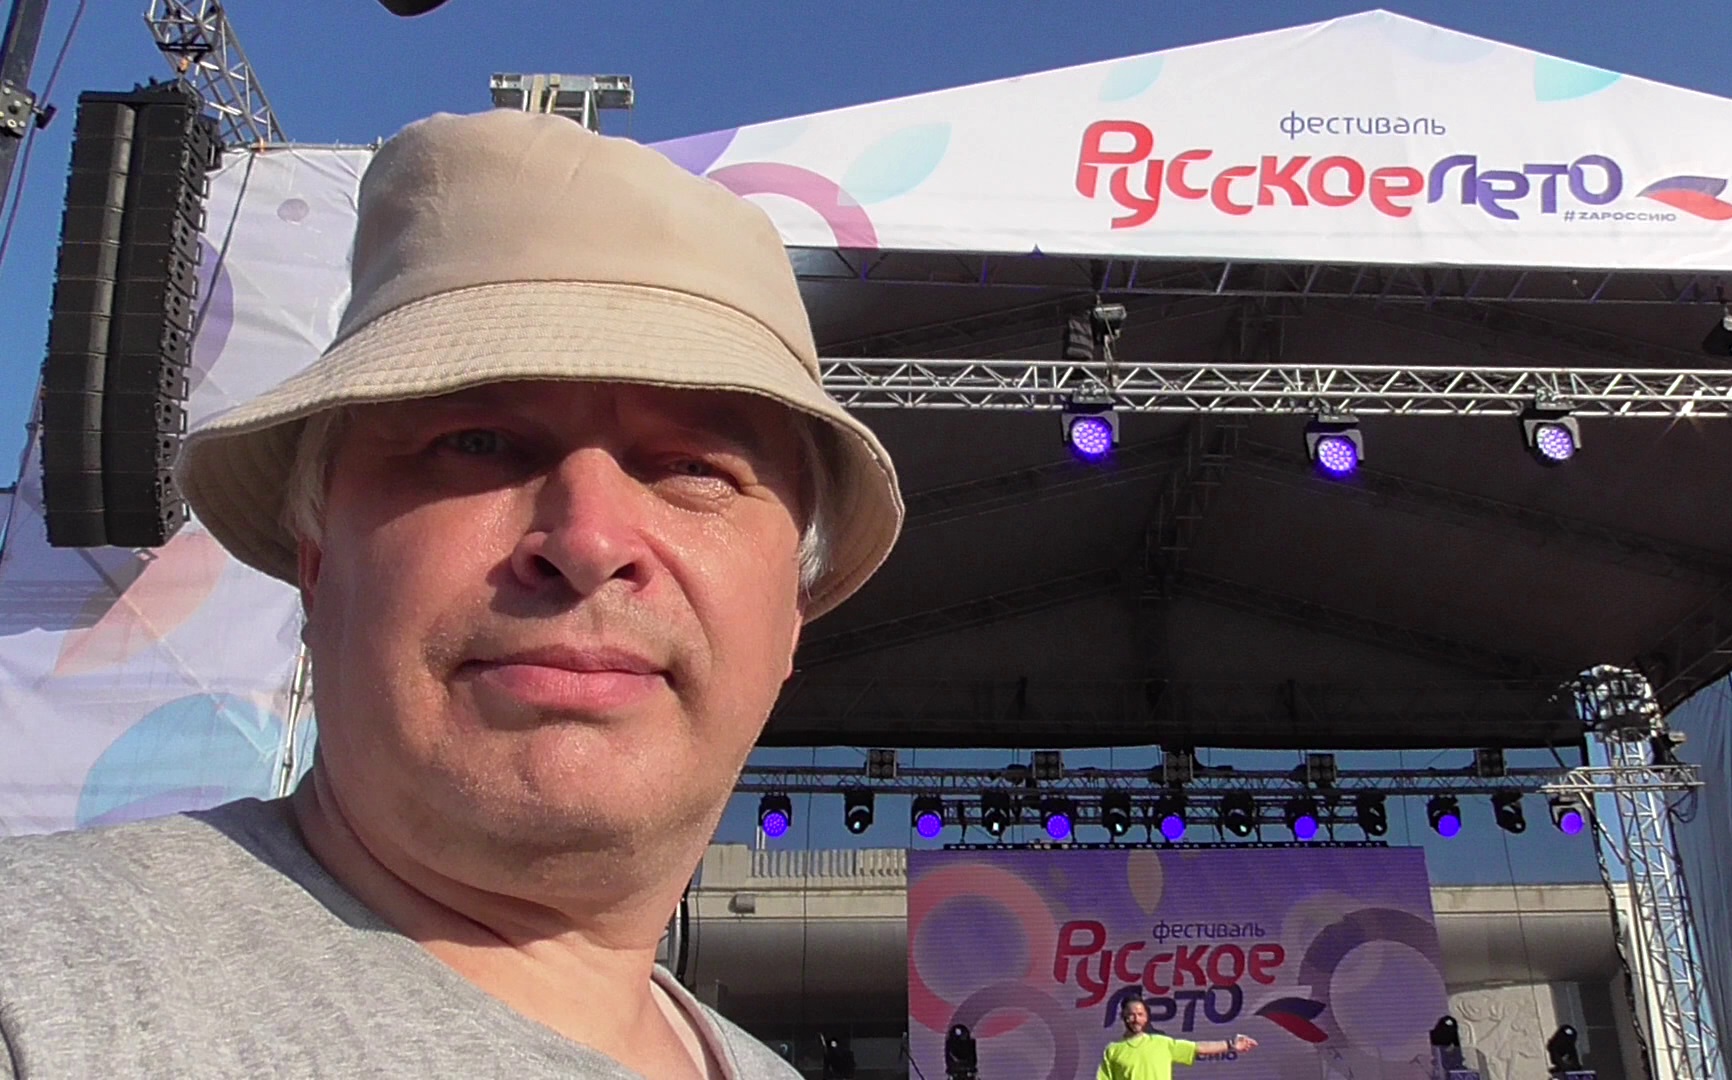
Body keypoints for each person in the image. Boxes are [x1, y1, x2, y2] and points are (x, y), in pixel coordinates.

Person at [0, 109, 903, 1079]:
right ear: (318, 561)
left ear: (790, 610)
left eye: (694, 468)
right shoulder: (37, 990)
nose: (589, 540)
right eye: (477, 444)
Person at [1097, 997, 1259, 1080]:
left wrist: (1231, 1044)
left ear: (1146, 1017)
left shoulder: (1162, 1043)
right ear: (1123, 1016)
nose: (1136, 1019)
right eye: (1131, 1015)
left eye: (1140, 1014)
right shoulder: (1113, 1050)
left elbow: (1198, 1048)